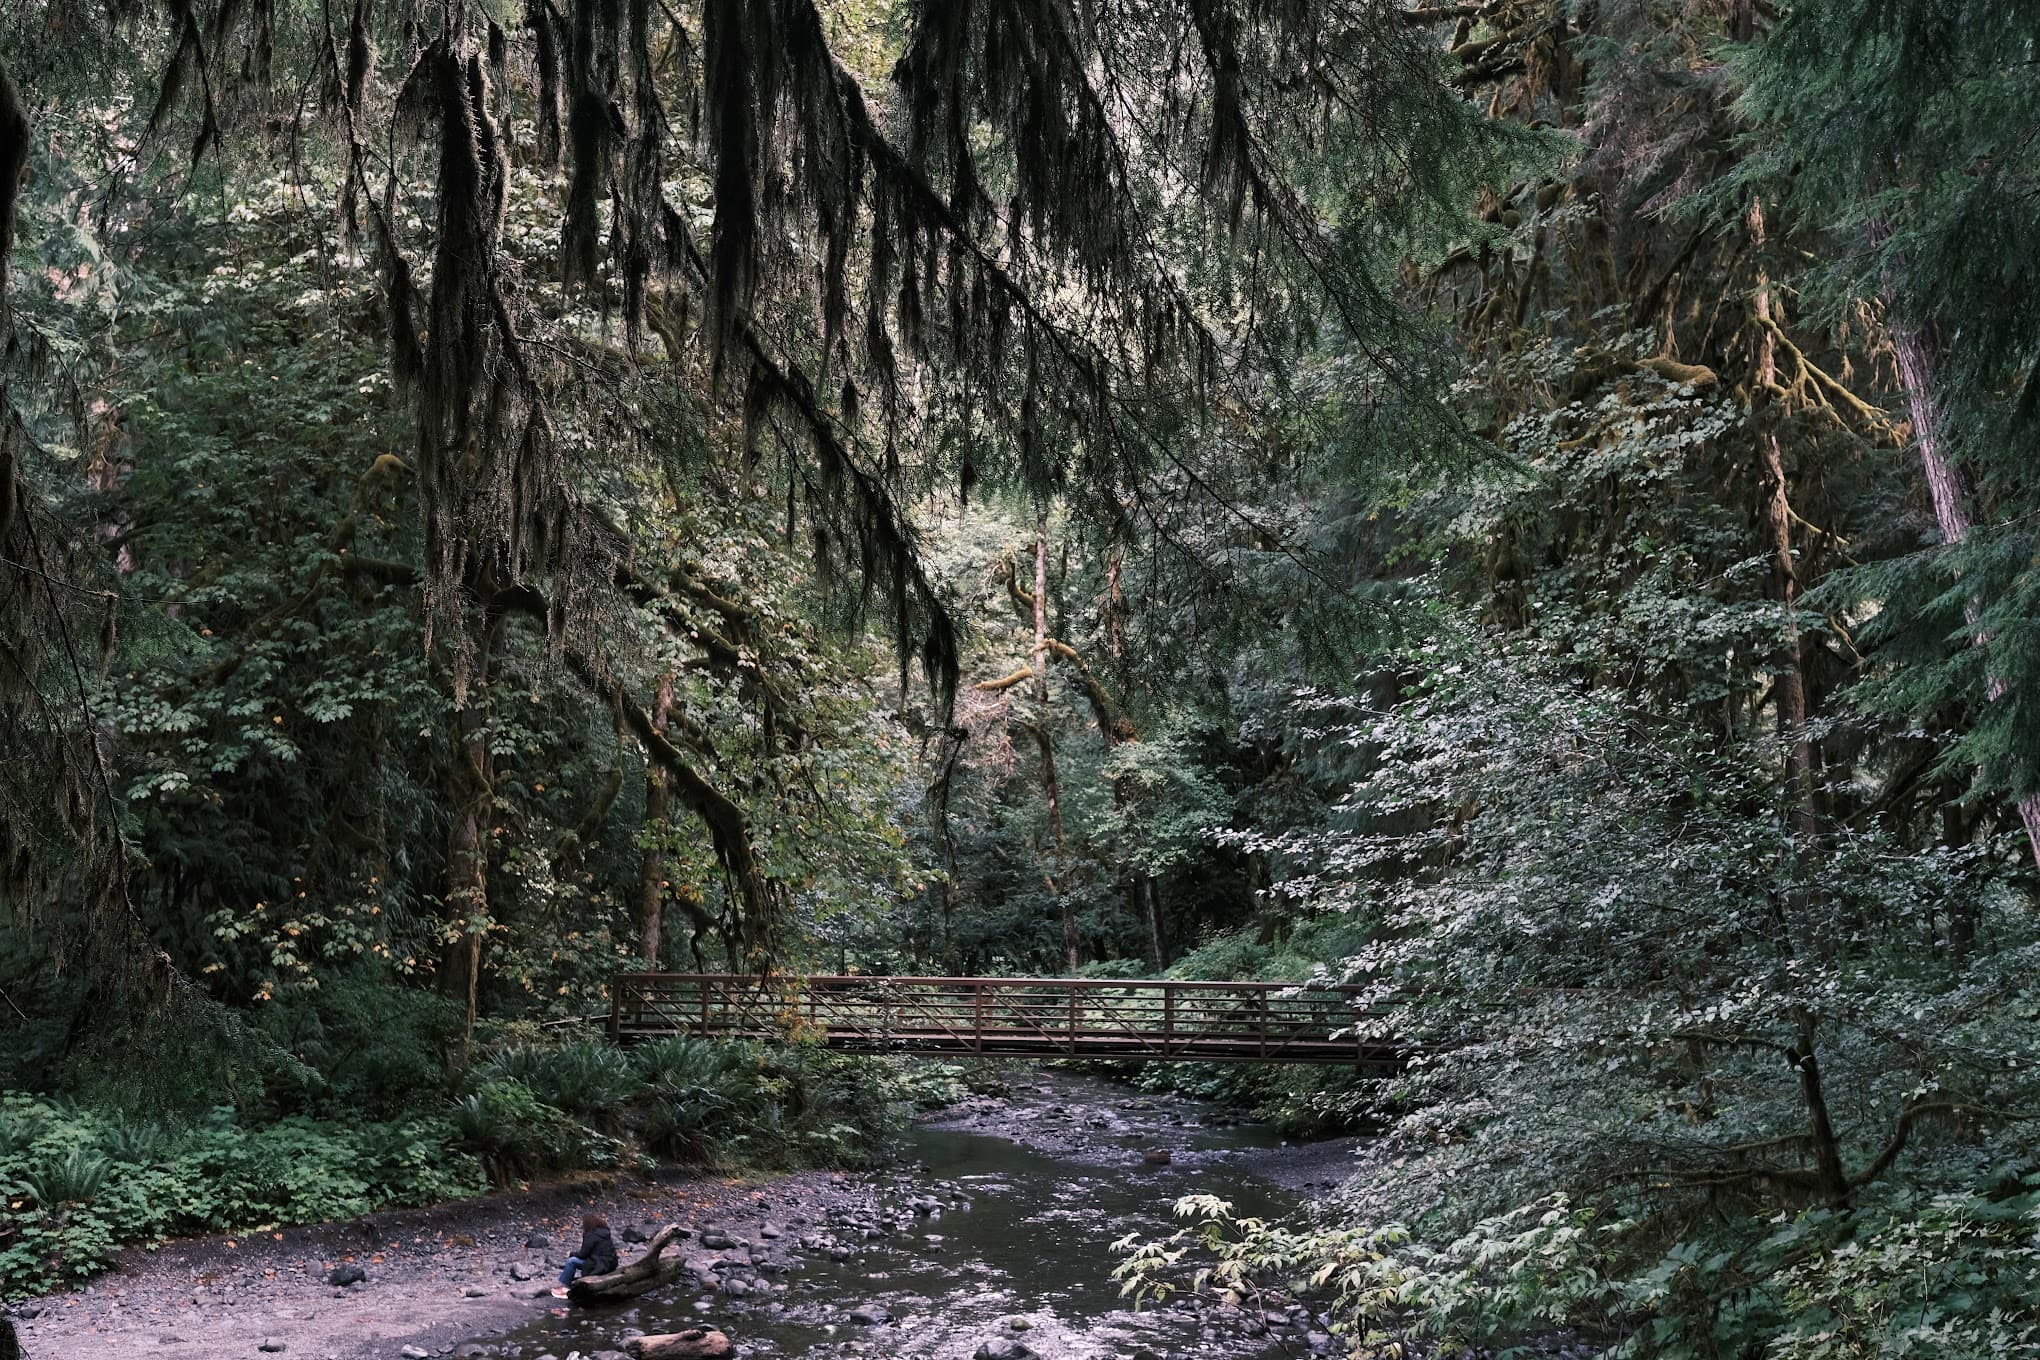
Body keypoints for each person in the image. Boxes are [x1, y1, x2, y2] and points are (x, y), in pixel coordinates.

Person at [551, 1212, 619, 1296]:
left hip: (598, 1265)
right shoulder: (605, 1232)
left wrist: (572, 1253)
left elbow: (583, 1254)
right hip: (609, 1264)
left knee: (571, 1261)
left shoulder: (590, 1235)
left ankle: (565, 1287)